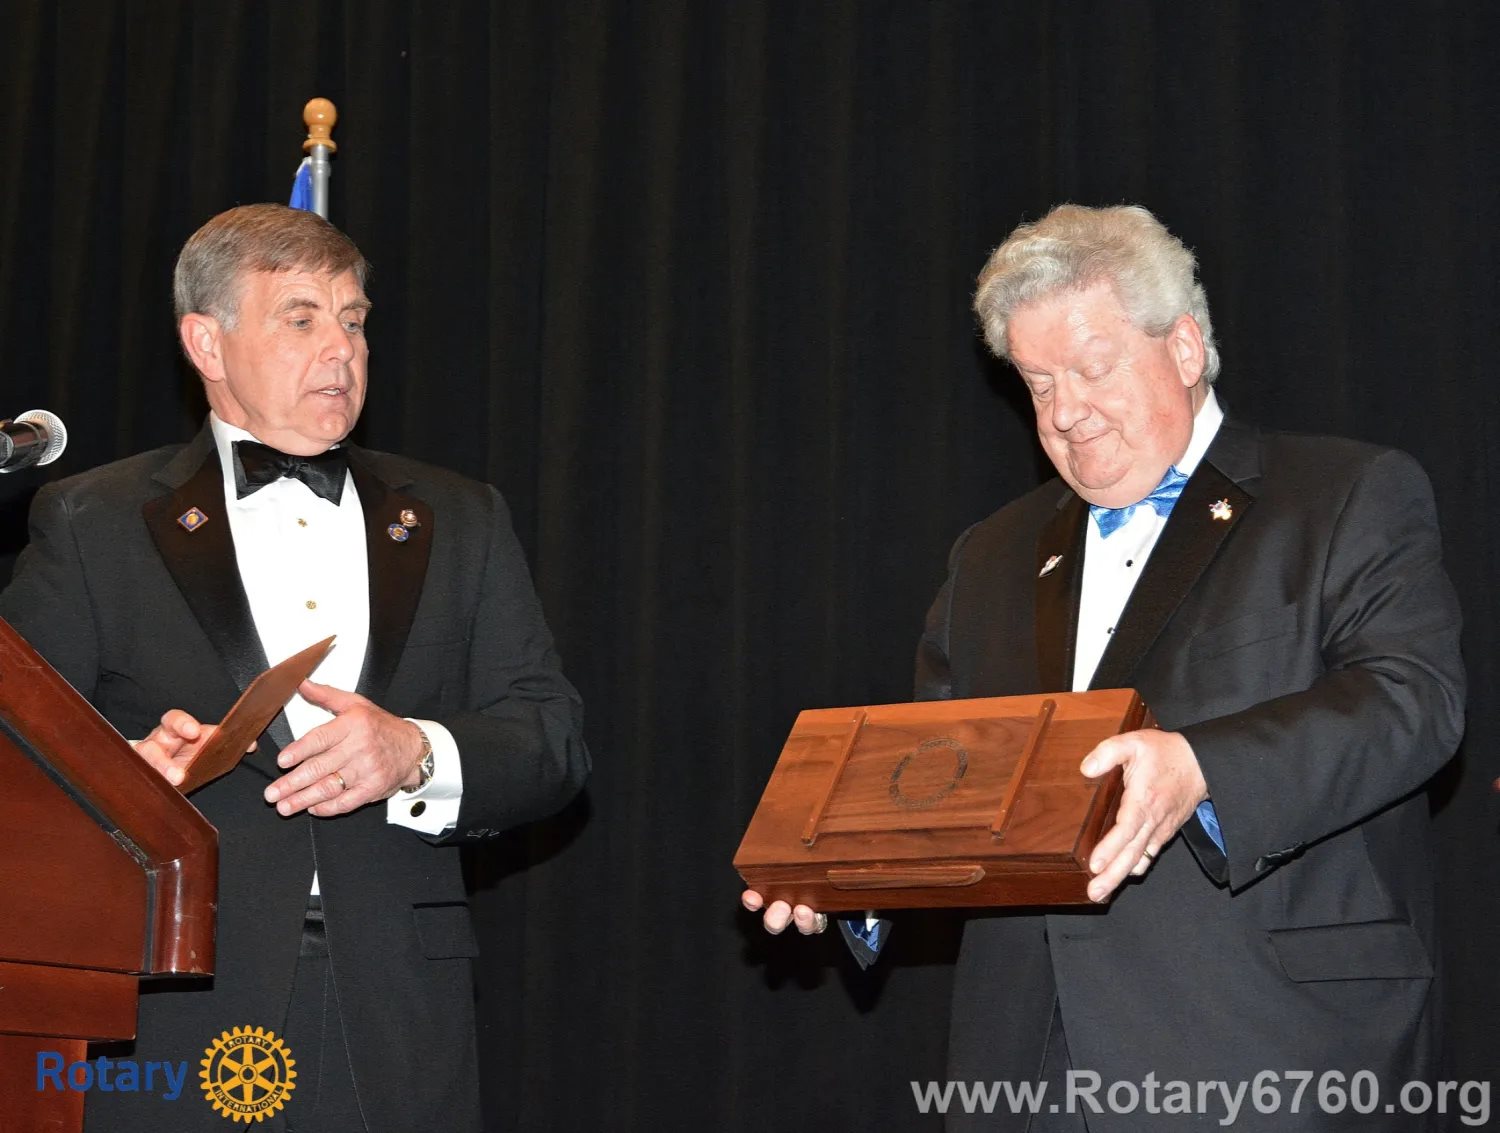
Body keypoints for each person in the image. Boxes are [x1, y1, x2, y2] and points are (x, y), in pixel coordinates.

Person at [744, 204, 1464, 1130]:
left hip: (1270, 1050)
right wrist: (851, 874)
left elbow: (1414, 702)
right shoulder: (991, 555)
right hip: (1024, 1072)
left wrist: (1203, 766)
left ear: (1186, 347)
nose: (1064, 413)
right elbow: (944, 785)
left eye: (1091, 369)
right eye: (1038, 383)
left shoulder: (1344, 496)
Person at [0, 203, 590, 1133]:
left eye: (353, 320)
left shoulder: (460, 515)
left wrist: (417, 753)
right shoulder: (92, 520)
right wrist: (122, 779)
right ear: (207, 342)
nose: (341, 349)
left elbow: (551, 741)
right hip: (172, 1005)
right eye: (301, 318)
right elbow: (17, 770)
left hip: (396, 1005)